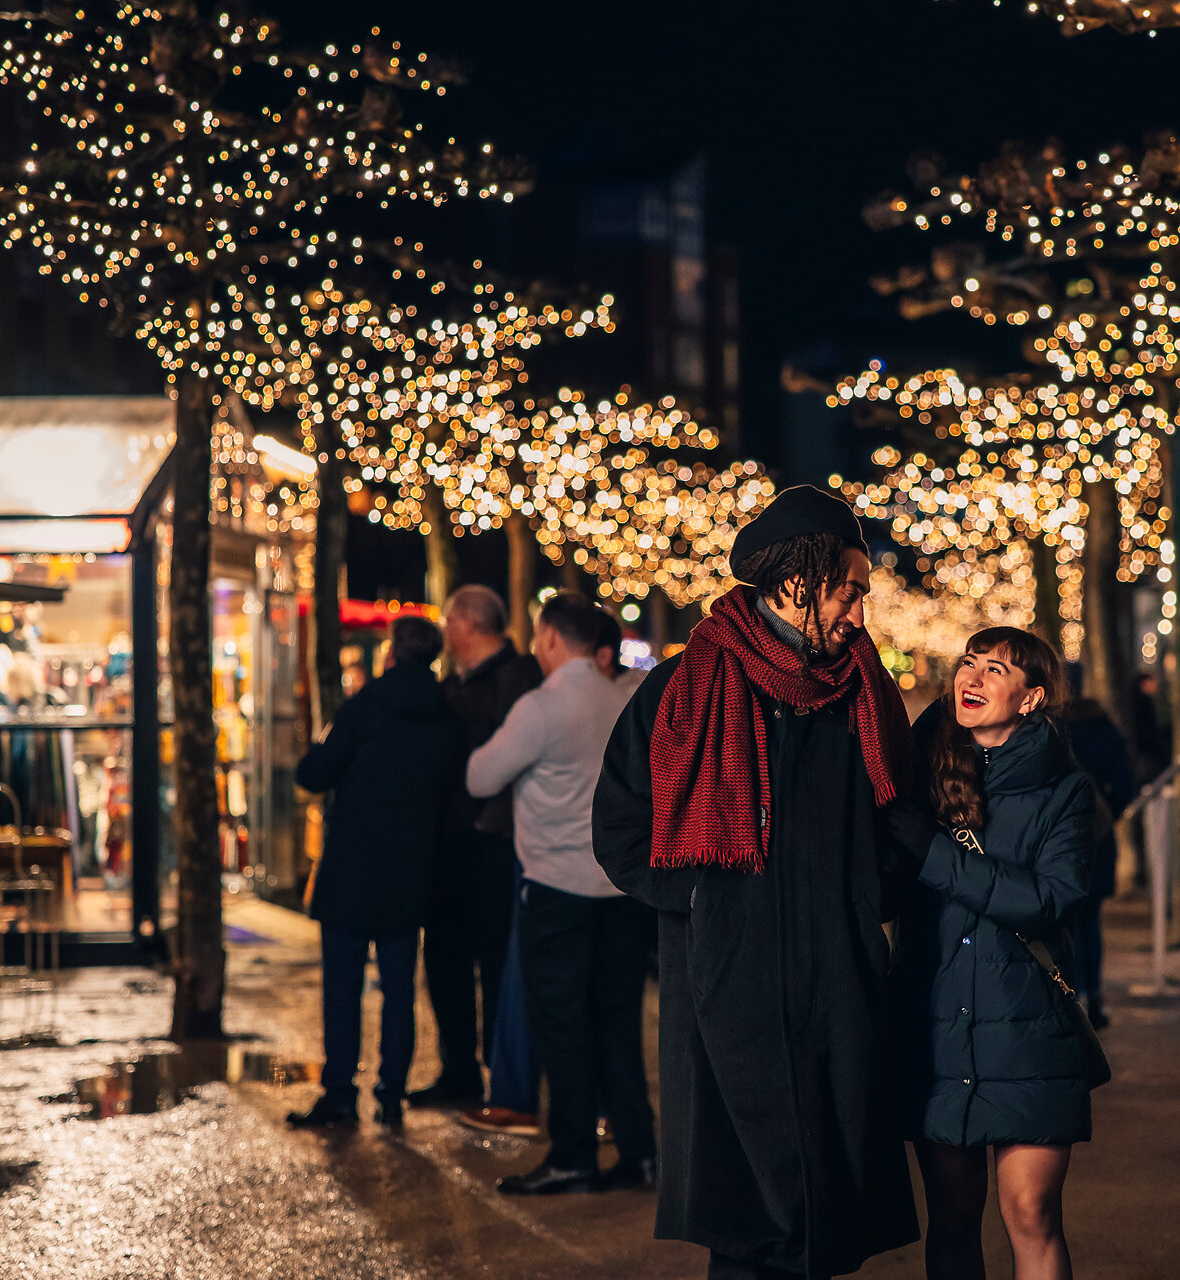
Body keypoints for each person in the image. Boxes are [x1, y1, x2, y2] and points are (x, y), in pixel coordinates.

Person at [594, 485, 931, 1280]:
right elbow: (619, 828)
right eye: (849, 590)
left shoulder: (863, 696)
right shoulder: (684, 686)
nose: (859, 611)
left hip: (837, 988)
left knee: (827, 1214)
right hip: (728, 988)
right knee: (747, 1221)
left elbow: (901, 824)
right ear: (796, 586)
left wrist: (853, 903)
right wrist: (709, 902)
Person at [896, 626, 1102, 1280]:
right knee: (953, 1220)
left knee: (1031, 1211)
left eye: (995, 670)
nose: (973, 678)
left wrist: (932, 854)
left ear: (1033, 698)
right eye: (968, 664)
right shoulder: (922, 776)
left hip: (1027, 1034)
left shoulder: (1064, 792)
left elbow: (1048, 898)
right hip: (936, 1033)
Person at [465, 594, 657, 1194]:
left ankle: (573, 1155)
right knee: (618, 1026)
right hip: (622, 893)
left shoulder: (541, 708)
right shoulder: (625, 699)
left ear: (549, 638)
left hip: (556, 892)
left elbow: (480, 776)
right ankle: (640, 1153)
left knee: (563, 1026)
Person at [288, 615, 459, 1129]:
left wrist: (317, 748)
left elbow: (315, 774)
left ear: (391, 654)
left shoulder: (365, 706)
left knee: (342, 986)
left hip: (351, 868)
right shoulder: (445, 715)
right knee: (398, 988)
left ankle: (340, 1092)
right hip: (409, 870)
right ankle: (391, 1090)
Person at [417, 584, 542, 1111]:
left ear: (468, 623)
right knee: (445, 957)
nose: (444, 631)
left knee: (495, 961)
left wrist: (491, 827)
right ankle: (460, 1070)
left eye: (449, 621)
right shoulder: (456, 682)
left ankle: (503, 1077)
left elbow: (516, 767)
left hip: (492, 846)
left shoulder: (517, 680)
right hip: (450, 846)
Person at [1061, 689, 1136, 1029]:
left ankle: (1070, 997)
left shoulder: (1057, 729)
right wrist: (1106, 810)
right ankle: (1095, 997)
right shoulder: (1108, 731)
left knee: (1068, 923)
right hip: (1099, 837)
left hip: (1063, 839)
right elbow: (1126, 787)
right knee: (1091, 920)